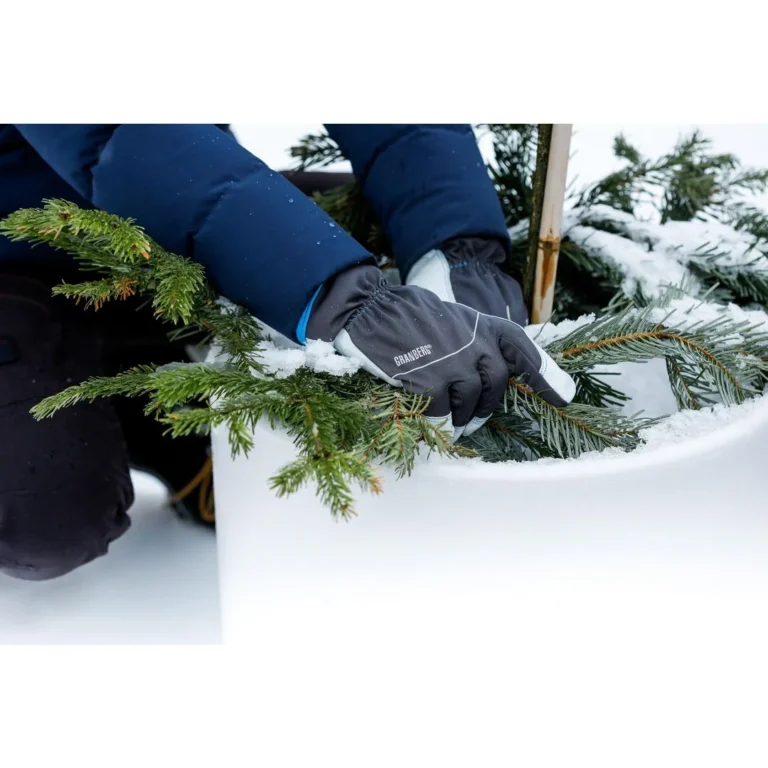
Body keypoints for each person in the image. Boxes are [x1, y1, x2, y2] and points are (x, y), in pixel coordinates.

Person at [0, 124, 575, 581]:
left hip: (154, 212)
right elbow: (117, 132)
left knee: (369, 222)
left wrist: (455, 247)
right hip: (19, 248)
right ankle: (135, 410)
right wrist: (349, 301)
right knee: (48, 521)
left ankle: (162, 399)